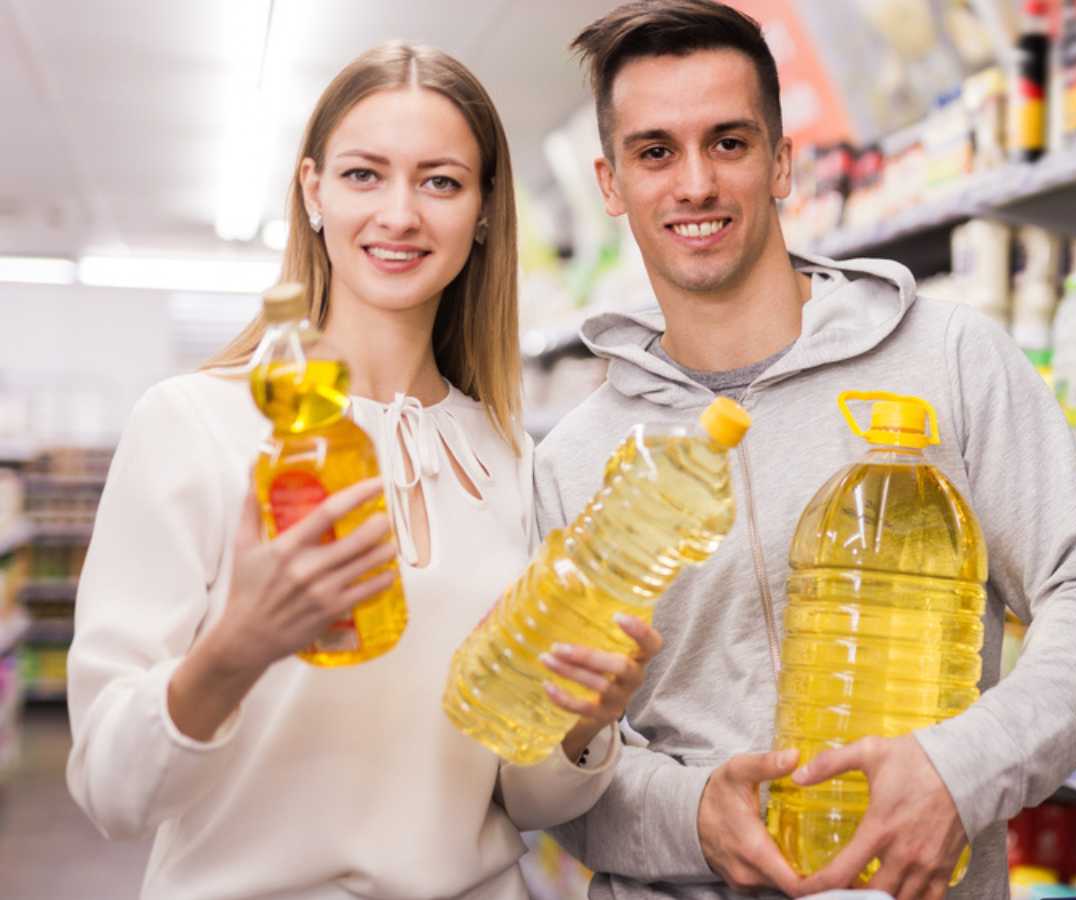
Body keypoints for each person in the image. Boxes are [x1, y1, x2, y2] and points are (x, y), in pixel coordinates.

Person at [538, 3, 1076, 899]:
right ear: (610, 181)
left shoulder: (947, 355)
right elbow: (560, 767)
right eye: (656, 151)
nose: (696, 183)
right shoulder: (573, 462)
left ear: (784, 160)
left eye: (731, 142)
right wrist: (692, 812)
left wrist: (958, 767)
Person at [65, 41, 660, 899]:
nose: (400, 214)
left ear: (486, 208)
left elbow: (520, 794)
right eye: (363, 175)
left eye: (441, 181)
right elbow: (112, 791)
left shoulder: (510, 459)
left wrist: (581, 723)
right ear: (313, 192)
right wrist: (231, 654)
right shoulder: (193, 425)